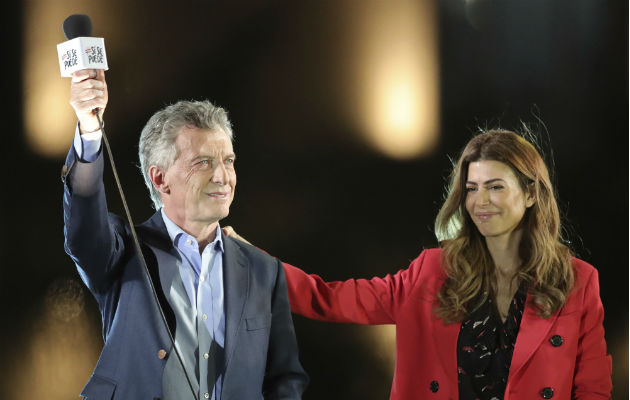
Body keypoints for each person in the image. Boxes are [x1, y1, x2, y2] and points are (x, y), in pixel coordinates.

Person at [228, 129, 612, 400]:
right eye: (472, 188)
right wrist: (256, 265)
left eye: (496, 186)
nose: (481, 201)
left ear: (530, 193)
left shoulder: (578, 281)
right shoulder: (432, 272)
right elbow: (328, 299)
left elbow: (593, 389)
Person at [61, 68, 308, 400]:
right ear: (161, 179)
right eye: (203, 162)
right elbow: (84, 225)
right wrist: (89, 130)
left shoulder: (265, 270)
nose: (223, 176)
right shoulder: (123, 251)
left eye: (229, 160)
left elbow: (285, 378)